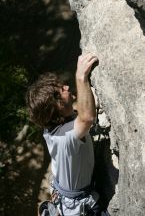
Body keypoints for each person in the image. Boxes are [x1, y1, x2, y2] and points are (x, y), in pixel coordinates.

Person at [26, 53, 110, 216]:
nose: (66, 87)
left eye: (61, 86)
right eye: (60, 93)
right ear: (54, 111)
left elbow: (80, 115)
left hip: (64, 192)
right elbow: (87, 118)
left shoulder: (52, 127)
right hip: (78, 208)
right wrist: (81, 77)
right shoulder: (64, 138)